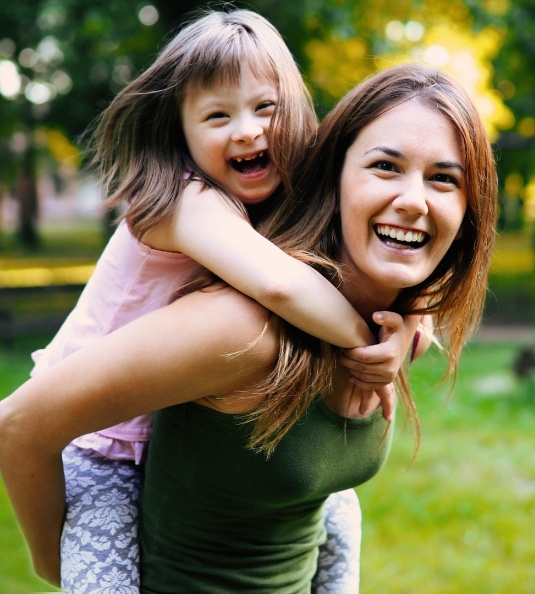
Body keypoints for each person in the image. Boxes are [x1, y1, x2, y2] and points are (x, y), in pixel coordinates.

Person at [0, 63, 497, 593]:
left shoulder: (398, 332)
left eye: (444, 178)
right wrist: (52, 562)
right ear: (333, 176)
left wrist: (405, 331)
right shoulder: (243, 331)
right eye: (385, 166)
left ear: (469, 209)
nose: (414, 201)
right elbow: (18, 425)